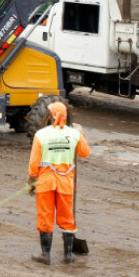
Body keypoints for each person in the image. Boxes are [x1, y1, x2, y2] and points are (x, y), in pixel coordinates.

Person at [28, 101, 91, 265]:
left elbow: (34, 163)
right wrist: (81, 135)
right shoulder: (74, 134)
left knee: (45, 217)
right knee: (66, 218)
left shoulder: (41, 135)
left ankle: (45, 255)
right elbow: (85, 153)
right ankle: (68, 255)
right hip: (65, 183)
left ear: (50, 116)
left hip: (45, 183)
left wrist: (31, 181)